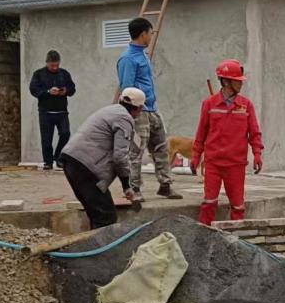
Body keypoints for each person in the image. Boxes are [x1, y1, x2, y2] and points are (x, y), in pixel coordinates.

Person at [58, 88, 145, 229]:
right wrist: (126, 185)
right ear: (139, 108)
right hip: (86, 167)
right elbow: (120, 157)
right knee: (106, 218)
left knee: (96, 213)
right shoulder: (125, 119)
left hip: (71, 161)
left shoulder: (109, 110)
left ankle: (92, 241)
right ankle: (101, 243)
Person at [116, 17, 181, 201]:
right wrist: (134, 111)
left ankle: (165, 185)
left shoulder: (143, 55)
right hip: (139, 111)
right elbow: (127, 88)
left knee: (161, 148)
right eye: (150, 33)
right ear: (143, 34)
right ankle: (134, 189)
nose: (151, 36)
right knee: (136, 152)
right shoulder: (128, 58)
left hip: (152, 109)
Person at [192, 59, 264, 226]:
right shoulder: (209, 104)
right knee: (209, 203)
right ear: (225, 82)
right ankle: (203, 234)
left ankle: (236, 237)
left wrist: (257, 154)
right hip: (213, 163)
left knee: (238, 207)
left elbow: (254, 133)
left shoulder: (246, 106)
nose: (241, 84)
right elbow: (201, 133)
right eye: (237, 81)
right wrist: (196, 156)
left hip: (236, 165)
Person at [29, 50, 76, 170]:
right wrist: (48, 92)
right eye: (52, 65)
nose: (55, 68)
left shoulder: (64, 74)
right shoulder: (38, 74)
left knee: (65, 134)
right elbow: (33, 89)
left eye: (57, 65)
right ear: (47, 63)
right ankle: (48, 162)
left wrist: (65, 91)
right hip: (45, 112)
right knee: (46, 139)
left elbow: (72, 88)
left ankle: (59, 157)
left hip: (62, 111)